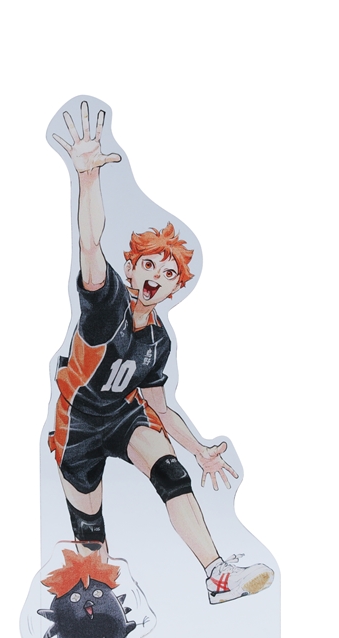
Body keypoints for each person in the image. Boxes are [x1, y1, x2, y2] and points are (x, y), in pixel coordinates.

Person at [49, 101, 273, 604]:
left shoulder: (158, 341)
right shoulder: (107, 305)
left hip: (121, 417)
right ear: (132, 270)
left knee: (171, 471)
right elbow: (90, 246)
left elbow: (162, 408)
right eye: (150, 265)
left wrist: (199, 449)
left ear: (175, 289)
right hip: (77, 425)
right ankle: (100, 609)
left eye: (169, 273)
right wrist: (87, 177)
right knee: (90, 539)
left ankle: (217, 575)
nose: (157, 276)